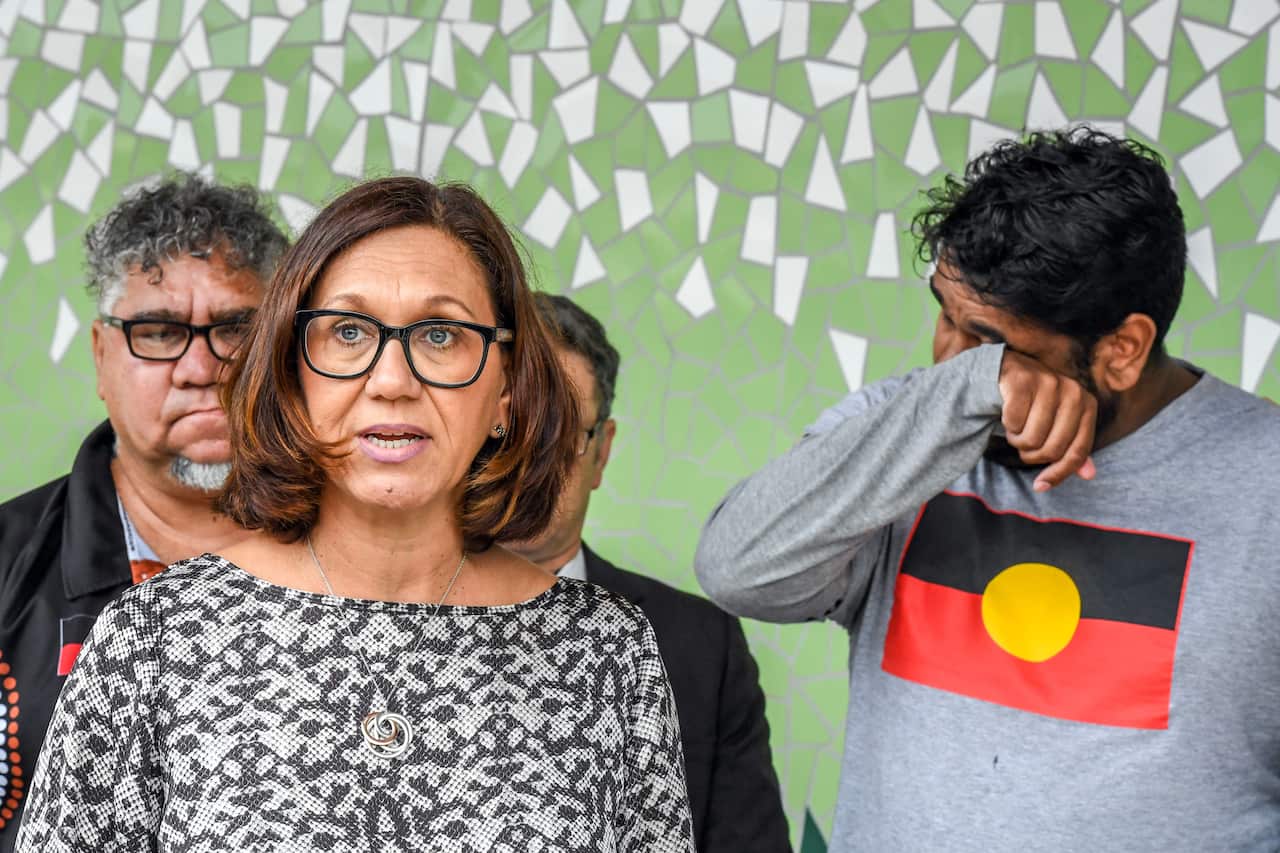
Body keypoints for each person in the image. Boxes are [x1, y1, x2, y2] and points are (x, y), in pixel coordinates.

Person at [17, 176, 694, 851]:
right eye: (348, 331)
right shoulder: (155, 638)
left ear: (505, 391)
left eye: (440, 334)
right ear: (291, 374)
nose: (392, 380)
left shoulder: (607, 652)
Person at [694, 127, 1280, 851]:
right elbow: (737, 570)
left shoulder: (1264, 481)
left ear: (1122, 350)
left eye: (989, 341)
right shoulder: (908, 430)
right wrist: (973, 385)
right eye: (944, 315)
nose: (949, 357)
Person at [0, 174, 287, 850]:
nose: (201, 367)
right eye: (158, 332)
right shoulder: (7, 568)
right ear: (102, 356)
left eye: (236, 328)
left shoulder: (373, 559)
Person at [504, 293, 792, 853]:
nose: (531, 464)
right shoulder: (390, 623)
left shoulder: (701, 646)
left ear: (601, 452)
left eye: (560, 436)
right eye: (512, 430)